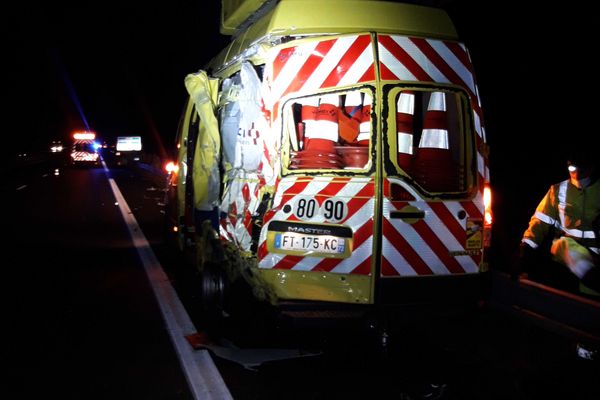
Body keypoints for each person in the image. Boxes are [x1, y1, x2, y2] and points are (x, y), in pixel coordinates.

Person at [516, 147, 599, 361]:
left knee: (589, 313)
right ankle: (552, 350)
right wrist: (524, 248)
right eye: (571, 168)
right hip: (565, 259)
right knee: (562, 305)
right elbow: (540, 222)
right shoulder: (558, 190)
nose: (576, 174)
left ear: (592, 167)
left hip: (595, 264)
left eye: (581, 169)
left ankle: (586, 350)